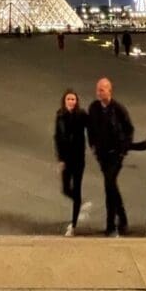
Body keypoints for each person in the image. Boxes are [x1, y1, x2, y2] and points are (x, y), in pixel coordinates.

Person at [87, 77, 134, 236]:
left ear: (109, 91)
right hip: (102, 155)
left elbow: (129, 129)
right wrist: (92, 145)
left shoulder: (118, 109)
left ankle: (111, 225)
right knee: (112, 185)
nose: (99, 92)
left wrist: (123, 151)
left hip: (116, 155)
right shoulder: (93, 108)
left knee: (109, 185)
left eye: (102, 89)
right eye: (98, 89)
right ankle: (123, 218)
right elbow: (90, 129)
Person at [54, 89, 90, 236]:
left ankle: (73, 225)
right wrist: (60, 159)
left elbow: (91, 127)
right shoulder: (60, 115)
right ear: (64, 101)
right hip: (66, 159)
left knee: (76, 189)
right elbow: (57, 137)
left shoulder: (81, 115)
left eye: (73, 99)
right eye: (69, 99)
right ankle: (80, 202)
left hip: (78, 159)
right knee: (65, 189)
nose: (71, 102)